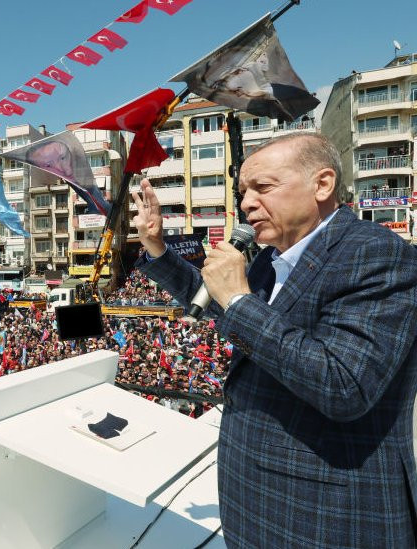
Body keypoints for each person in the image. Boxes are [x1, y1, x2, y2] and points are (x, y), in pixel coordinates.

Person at [132, 132, 417, 547]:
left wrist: (238, 298)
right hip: (256, 504)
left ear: (322, 184)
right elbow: (227, 308)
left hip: (326, 515)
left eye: (263, 187)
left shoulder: (377, 254)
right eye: (243, 191)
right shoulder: (270, 256)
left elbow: (344, 385)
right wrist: (157, 249)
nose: (246, 203)